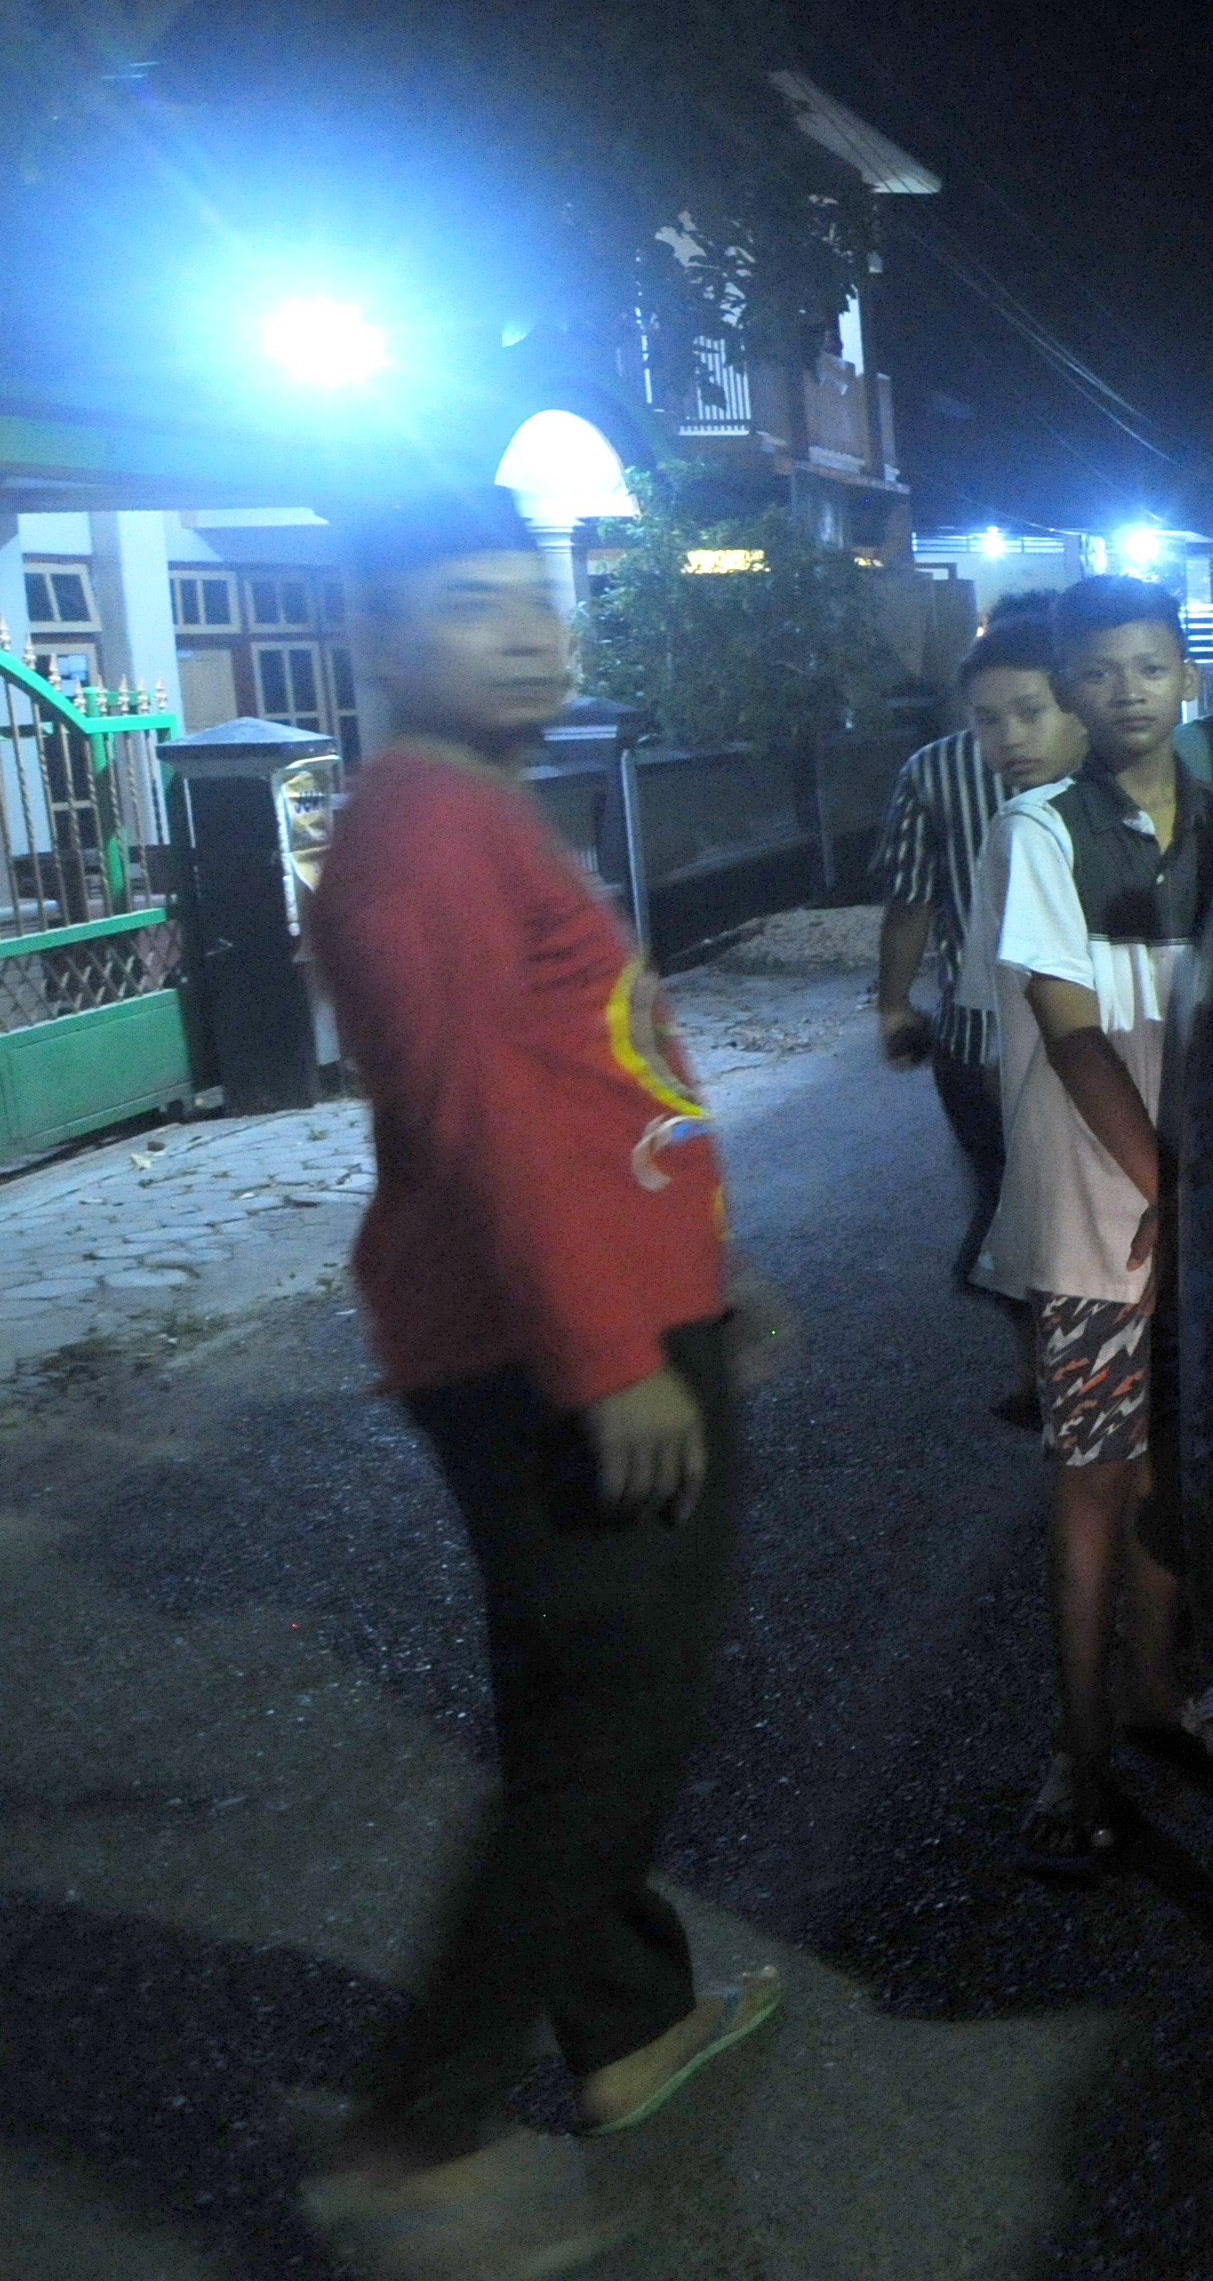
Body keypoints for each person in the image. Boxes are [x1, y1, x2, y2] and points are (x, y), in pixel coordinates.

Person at [297, 493, 779, 2276]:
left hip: (601, 1320)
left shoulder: (470, 807)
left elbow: (583, 1090)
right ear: (378, 636)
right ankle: (412, 2132)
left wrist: (704, 1276)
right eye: (468, 601)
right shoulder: (423, 827)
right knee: (609, 1732)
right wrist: (609, 1358)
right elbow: (479, 1118)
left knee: (583, 1704)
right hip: (549, 1349)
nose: (524, 629)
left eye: (535, 595)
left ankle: (631, 2027)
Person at [982, 573, 1213, 1878]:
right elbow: (1071, 1032)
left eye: (1150, 666)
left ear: (1188, 677)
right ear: (1071, 689)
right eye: (1100, 671)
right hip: (1100, 1217)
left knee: (1174, 1468)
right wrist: (1167, 1191)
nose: (1127, 691)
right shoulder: (1040, 829)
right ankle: (1077, 1758)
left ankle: (1152, 1690)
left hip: (1203, 1208)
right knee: (1091, 1482)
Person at [875, 594, 1080, 1428]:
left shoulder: (931, 772)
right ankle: (1065, 1379)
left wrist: (894, 1005)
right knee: (1026, 1204)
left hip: (1004, 1039)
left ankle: (1046, 1374)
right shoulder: (1103, 768)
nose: (1010, 736)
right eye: (990, 718)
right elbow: (912, 900)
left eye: (1029, 711)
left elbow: (910, 902)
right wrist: (896, 1004)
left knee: (1013, 1202)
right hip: (991, 1037)